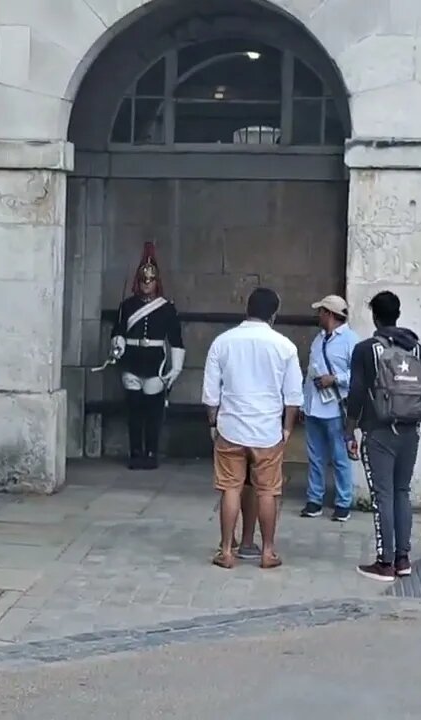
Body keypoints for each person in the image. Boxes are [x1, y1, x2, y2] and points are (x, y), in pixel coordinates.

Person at [202, 287, 303, 570]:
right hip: (267, 430)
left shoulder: (222, 342)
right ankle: (268, 552)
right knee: (267, 491)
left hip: (231, 427)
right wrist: (286, 430)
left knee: (230, 489)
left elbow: (211, 394)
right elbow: (293, 397)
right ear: (274, 314)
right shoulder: (284, 346)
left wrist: (213, 423)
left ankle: (226, 550)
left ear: (247, 309)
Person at [345, 290, 421, 582]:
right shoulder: (417, 350)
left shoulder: (365, 349)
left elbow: (356, 393)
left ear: (374, 316)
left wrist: (349, 430)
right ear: (397, 314)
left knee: (382, 495)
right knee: (402, 493)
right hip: (411, 431)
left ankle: (385, 563)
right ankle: (403, 558)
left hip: (379, 431)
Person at [109, 242, 185, 469]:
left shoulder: (167, 308)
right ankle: (135, 452)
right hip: (132, 360)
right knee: (134, 412)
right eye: (144, 280)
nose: (147, 284)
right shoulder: (127, 306)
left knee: (153, 412)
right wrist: (118, 342)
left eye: (150, 280)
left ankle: (151, 452)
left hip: (155, 364)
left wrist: (176, 368)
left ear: (156, 282)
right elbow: (118, 331)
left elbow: (176, 339)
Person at [300, 295, 360, 522]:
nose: (319, 316)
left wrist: (334, 379)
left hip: (335, 407)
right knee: (315, 457)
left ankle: (343, 501)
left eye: (322, 311)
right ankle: (314, 499)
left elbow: (357, 374)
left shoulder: (350, 340)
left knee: (339, 456)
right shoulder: (318, 340)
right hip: (315, 406)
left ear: (331, 314)